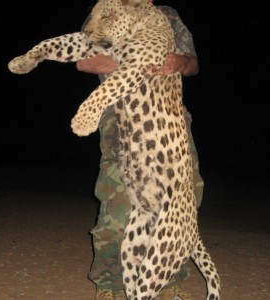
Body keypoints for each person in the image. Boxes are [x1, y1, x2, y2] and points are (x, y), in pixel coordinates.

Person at [76, 1, 203, 299]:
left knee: (183, 200)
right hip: (121, 115)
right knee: (119, 200)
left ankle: (169, 279)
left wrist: (179, 62)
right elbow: (85, 61)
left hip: (168, 118)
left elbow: (193, 64)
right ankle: (109, 284)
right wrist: (139, 62)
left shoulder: (169, 14)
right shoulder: (105, 12)